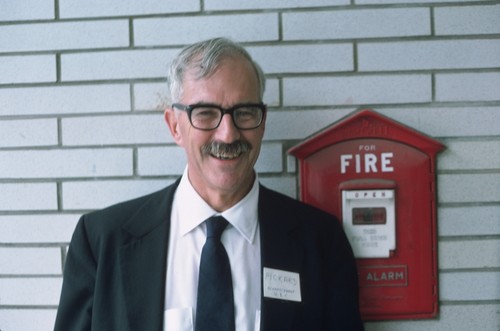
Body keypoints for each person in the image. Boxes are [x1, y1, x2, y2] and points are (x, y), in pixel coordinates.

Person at [54, 37, 364, 331]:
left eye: (244, 113)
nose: (227, 134)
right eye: (205, 114)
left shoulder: (321, 242)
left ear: (263, 121)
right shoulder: (101, 241)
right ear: (175, 126)